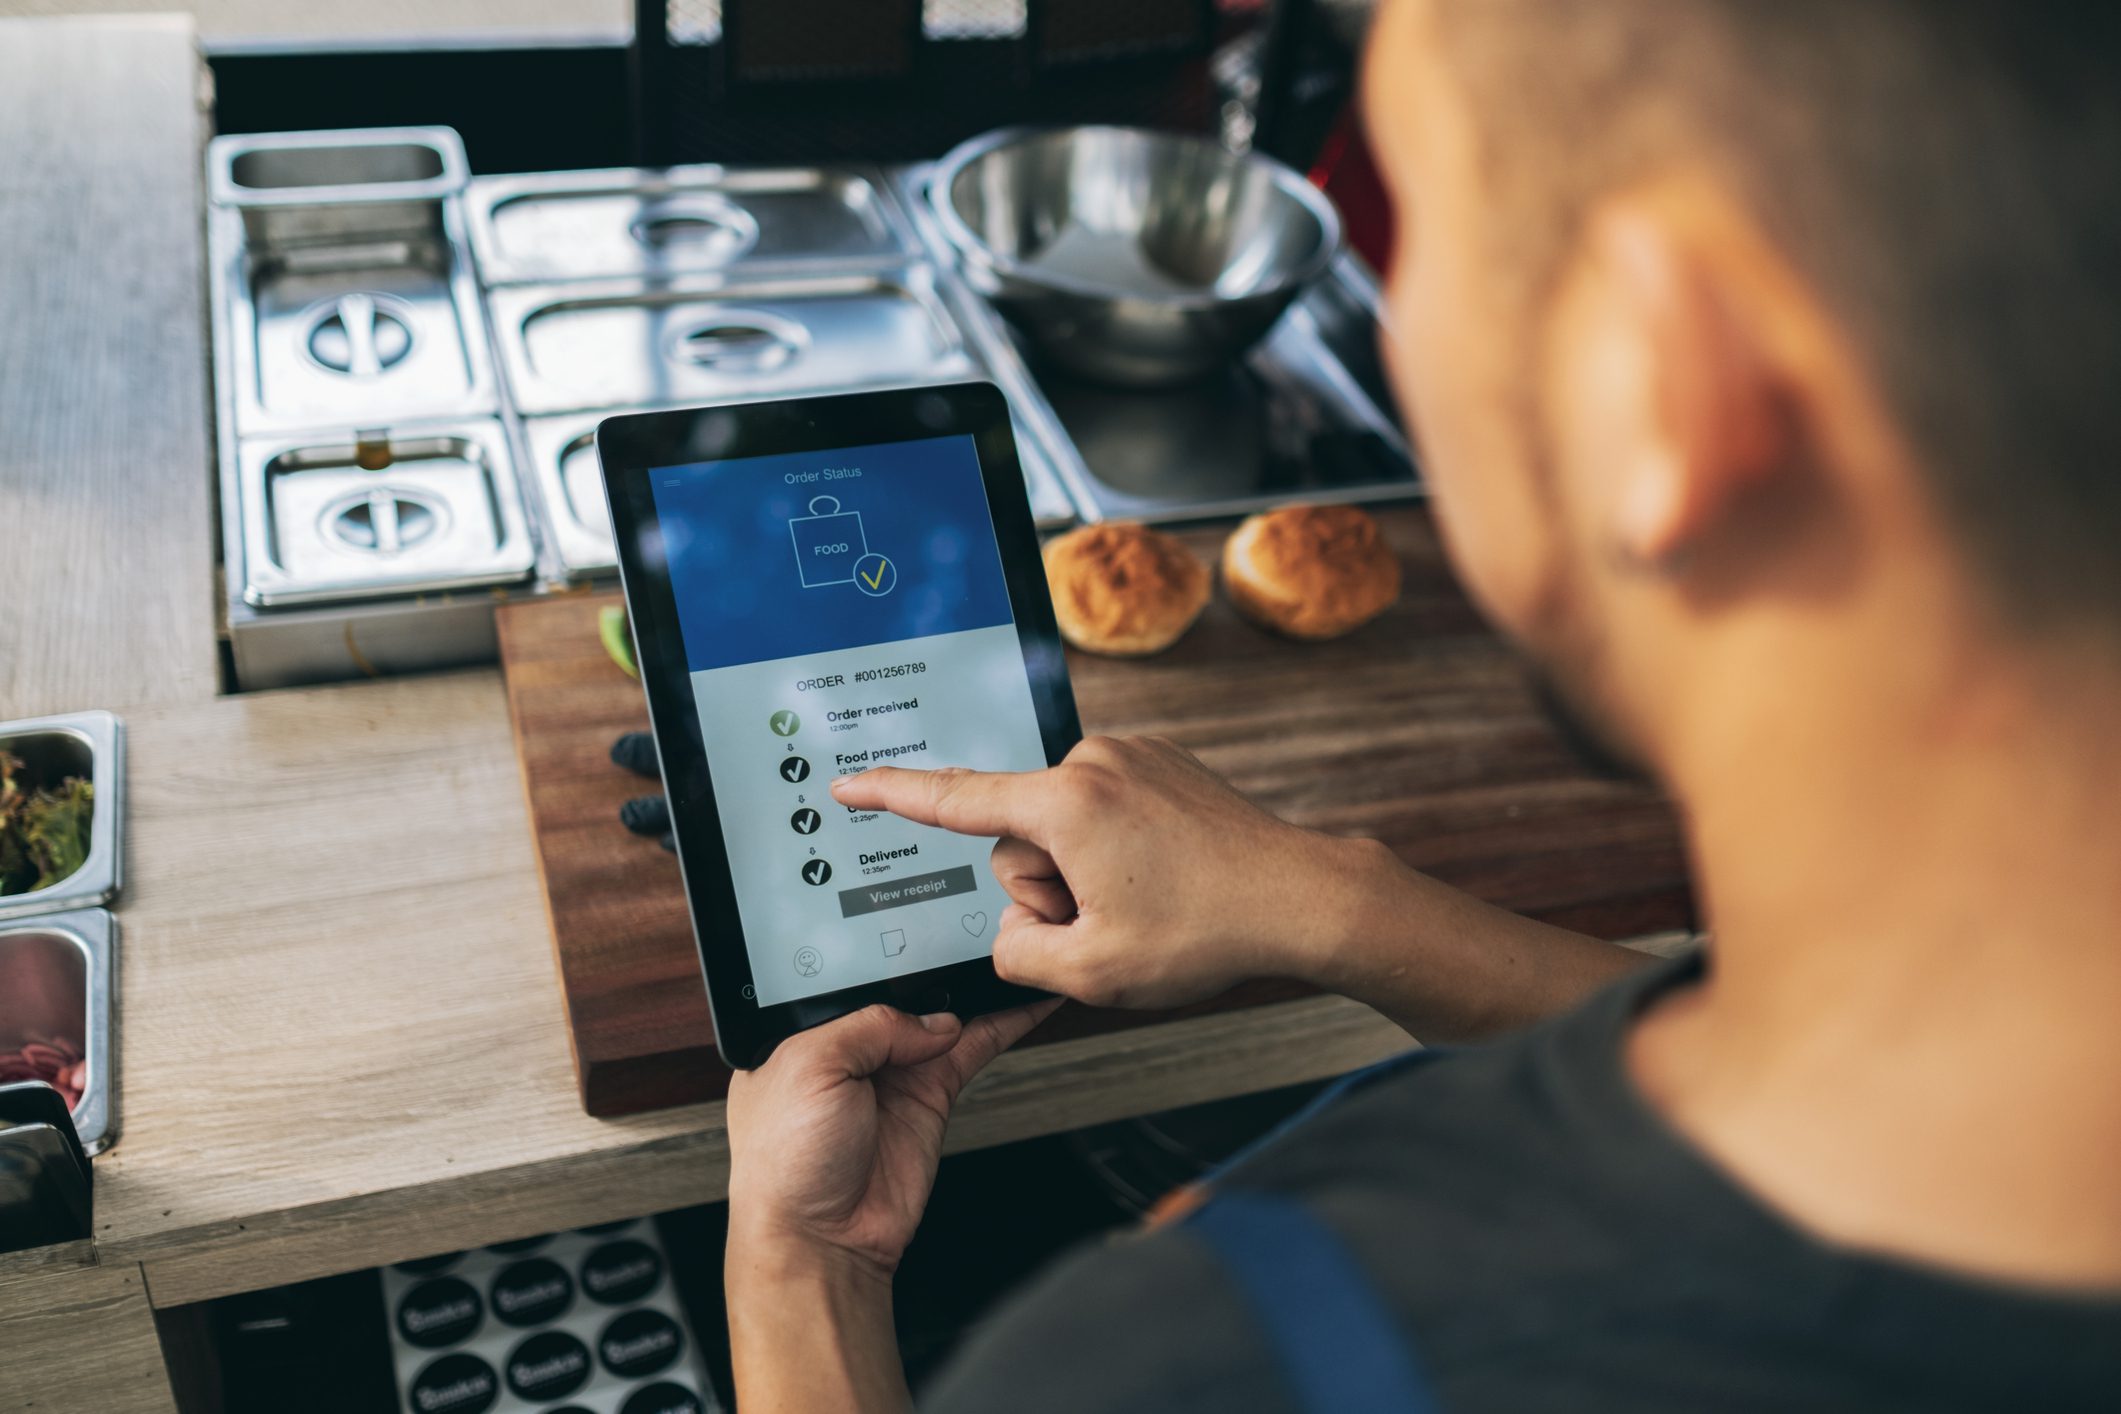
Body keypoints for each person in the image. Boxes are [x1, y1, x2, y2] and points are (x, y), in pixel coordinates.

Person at [720, 0, 2121, 1408]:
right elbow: (1819, 1082)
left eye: (1419, 224)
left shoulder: (1192, 1360)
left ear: (1654, 375)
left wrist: (803, 1272)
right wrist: (1346, 905)